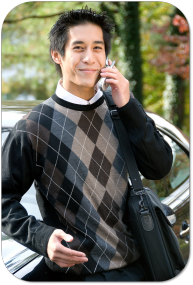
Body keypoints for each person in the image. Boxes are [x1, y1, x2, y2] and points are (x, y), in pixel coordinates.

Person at [2, 7, 173, 283]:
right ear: (57, 55)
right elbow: (3, 198)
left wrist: (129, 105)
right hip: (76, 275)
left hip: (139, 269)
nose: (89, 58)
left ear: (107, 56)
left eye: (97, 48)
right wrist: (41, 237)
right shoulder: (34, 126)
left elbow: (160, 166)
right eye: (78, 48)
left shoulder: (120, 109)